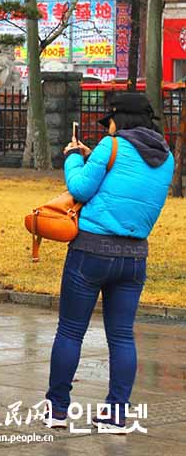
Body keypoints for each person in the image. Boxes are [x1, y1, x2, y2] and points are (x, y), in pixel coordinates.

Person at [46, 92, 173, 433]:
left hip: (91, 250)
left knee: (70, 331)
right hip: (135, 257)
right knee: (122, 337)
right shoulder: (167, 156)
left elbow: (80, 189)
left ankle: (57, 410)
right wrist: (95, 158)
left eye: (110, 120)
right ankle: (116, 414)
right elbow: (129, 185)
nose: (109, 127)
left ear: (120, 119)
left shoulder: (111, 145)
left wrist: (73, 157)